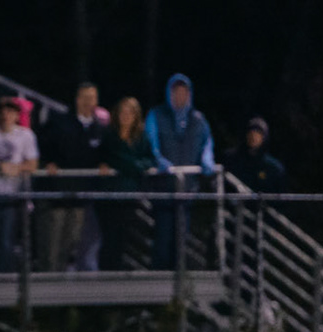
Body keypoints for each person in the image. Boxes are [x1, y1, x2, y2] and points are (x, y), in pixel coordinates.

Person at [37, 83, 110, 272]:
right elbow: (43, 147)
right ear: (77, 100)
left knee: (71, 243)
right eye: (84, 97)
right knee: (51, 245)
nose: (88, 102)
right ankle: (46, 284)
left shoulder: (100, 129)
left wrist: (103, 164)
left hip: (81, 196)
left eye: (92, 98)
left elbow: (103, 155)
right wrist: (48, 162)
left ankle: (62, 286)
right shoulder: (60, 123)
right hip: (56, 194)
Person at [145, 73, 215, 270]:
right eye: (176, 92)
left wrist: (207, 160)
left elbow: (207, 143)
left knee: (181, 242)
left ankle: (178, 284)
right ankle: (159, 283)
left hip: (187, 191)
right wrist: (159, 160)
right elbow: (150, 143)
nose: (180, 96)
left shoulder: (198, 119)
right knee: (162, 241)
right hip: (163, 189)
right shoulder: (156, 115)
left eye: (184, 92)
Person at [98, 96, 156, 271]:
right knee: (109, 238)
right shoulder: (109, 136)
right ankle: (106, 275)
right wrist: (135, 166)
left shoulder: (141, 137)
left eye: (130, 112)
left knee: (122, 237)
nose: (126, 115)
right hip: (109, 196)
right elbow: (115, 159)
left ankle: (116, 274)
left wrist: (135, 165)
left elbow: (150, 160)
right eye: (122, 112)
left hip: (130, 195)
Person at [0, 97, 39, 271]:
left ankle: (5, 277)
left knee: (7, 240)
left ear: (17, 115)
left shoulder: (25, 135)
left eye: (10, 112)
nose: (6, 115)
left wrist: (15, 168)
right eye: (2, 112)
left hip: (13, 195)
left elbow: (32, 164)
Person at [227, 116, 287, 193]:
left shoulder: (274, 168)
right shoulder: (232, 160)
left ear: (264, 137)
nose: (253, 137)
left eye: (258, 134)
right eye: (251, 133)